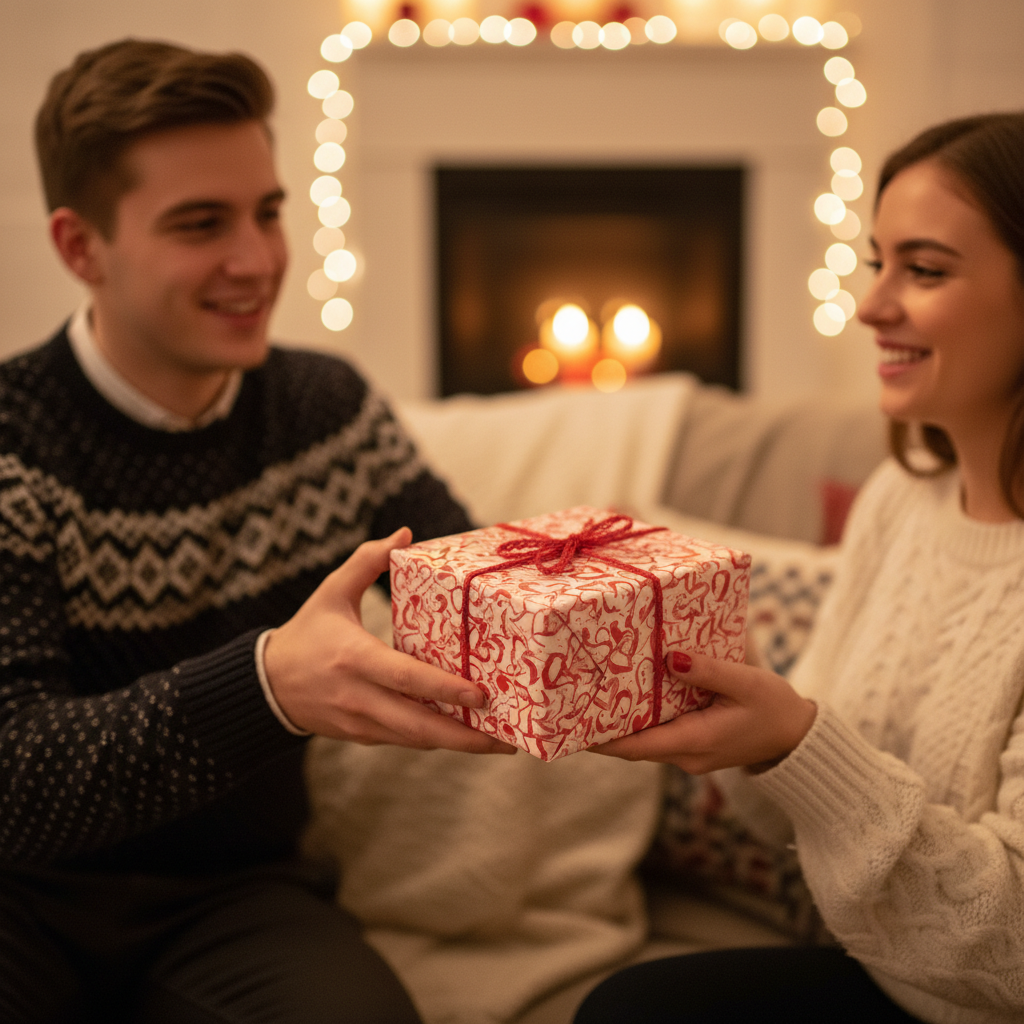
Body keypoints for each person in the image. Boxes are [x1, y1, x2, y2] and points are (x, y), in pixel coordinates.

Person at [0, 38, 513, 1024]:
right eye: (201, 224)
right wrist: (266, 683)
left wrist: (603, 599)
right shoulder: (15, 440)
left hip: (236, 898)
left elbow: (468, 587)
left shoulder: (325, 406)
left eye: (268, 213)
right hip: (21, 895)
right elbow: (15, 773)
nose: (256, 260)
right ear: (80, 247)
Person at [576, 112, 1024, 1024]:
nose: (871, 304)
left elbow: (1008, 946)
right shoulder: (900, 503)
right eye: (878, 261)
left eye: (926, 270)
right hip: (881, 974)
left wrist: (795, 742)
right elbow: (787, 816)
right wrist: (740, 715)